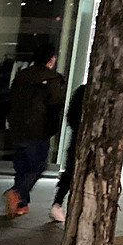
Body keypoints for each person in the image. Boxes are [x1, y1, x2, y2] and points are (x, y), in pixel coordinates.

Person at [3, 43, 67, 218]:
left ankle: (21, 204)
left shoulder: (21, 75)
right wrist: (52, 129)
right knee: (37, 166)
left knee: (22, 167)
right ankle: (17, 192)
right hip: (38, 129)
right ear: (51, 59)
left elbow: (10, 100)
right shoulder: (53, 79)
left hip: (17, 128)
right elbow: (55, 106)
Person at [50, 84, 86, 223]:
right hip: (79, 140)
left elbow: (71, 116)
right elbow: (72, 116)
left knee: (70, 172)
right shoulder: (86, 92)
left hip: (77, 139)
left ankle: (58, 203)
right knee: (71, 172)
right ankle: (58, 203)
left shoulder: (82, 91)